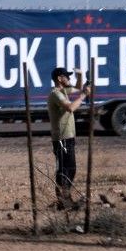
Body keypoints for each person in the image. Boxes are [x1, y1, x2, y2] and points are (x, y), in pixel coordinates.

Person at [46, 67, 89, 209]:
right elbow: (70, 107)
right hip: (61, 138)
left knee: (69, 168)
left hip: (68, 137)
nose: (69, 79)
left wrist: (81, 76)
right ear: (59, 79)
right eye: (67, 77)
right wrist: (83, 96)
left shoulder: (63, 91)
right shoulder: (56, 94)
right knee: (66, 169)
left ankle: (64, 199)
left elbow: (76, 88)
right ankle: (64, 199)